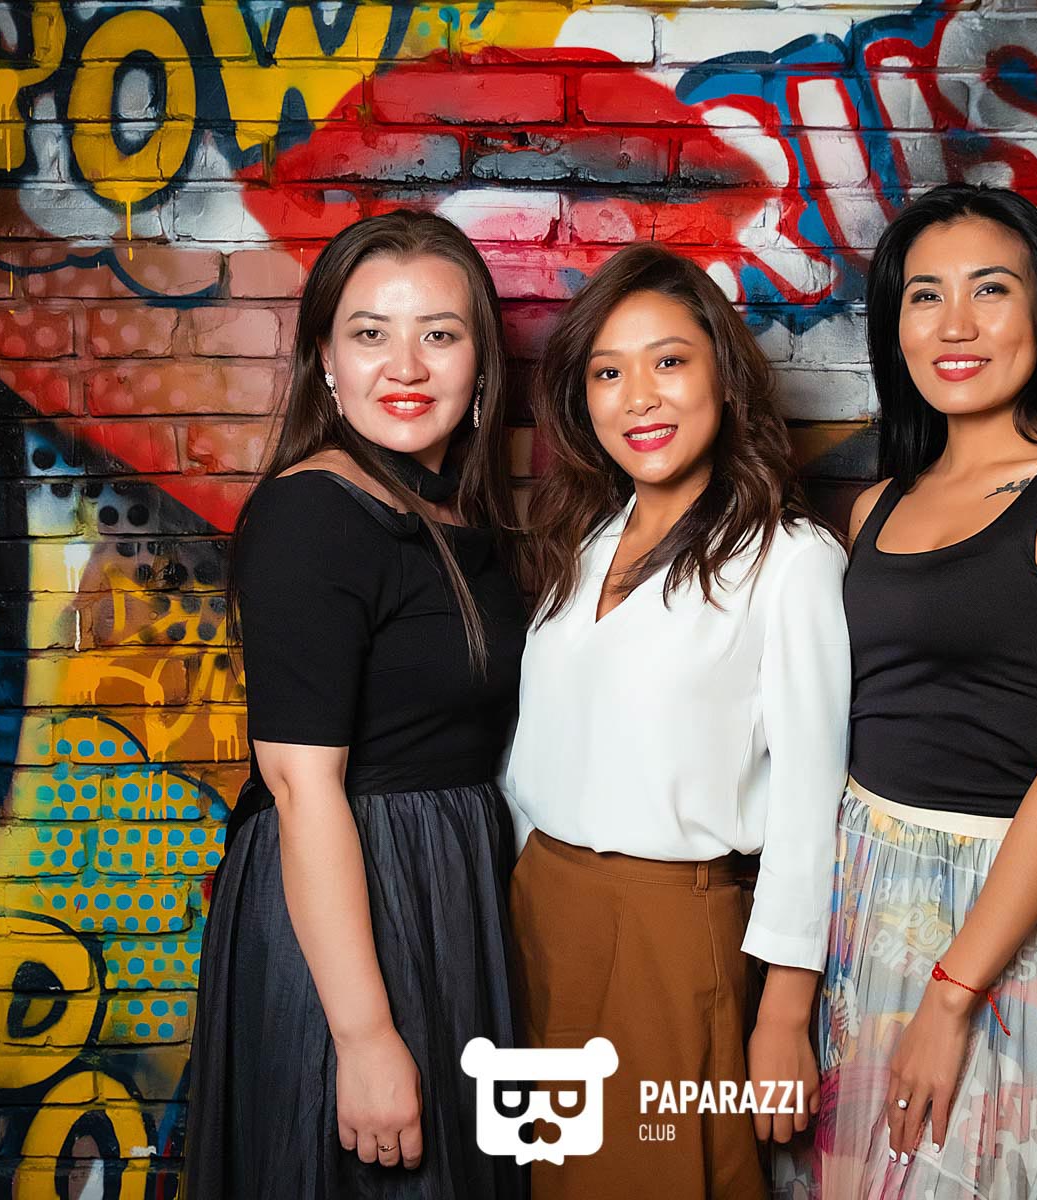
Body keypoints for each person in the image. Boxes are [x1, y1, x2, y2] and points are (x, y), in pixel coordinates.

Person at [797, 183, 1037, 1199]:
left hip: (992, 910)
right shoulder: (876, 504)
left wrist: (952, 996)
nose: (954, 325)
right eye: (925, 296)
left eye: (989, 290)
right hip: (858, 888)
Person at [186, 211, 527, 1199]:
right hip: (357, 910)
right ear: (326, 362)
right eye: (370, 333)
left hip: (442, 887)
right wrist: (366, 1036)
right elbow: (301, 788)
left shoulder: (453, 509)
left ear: (480, 362)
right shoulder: (314, 514)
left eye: (439, 334)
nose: (405, 366)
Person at [503, 244, 851, 1199]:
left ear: (724, 378)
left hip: (664, 926)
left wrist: (784, 1015)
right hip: (539, 911)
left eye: (668, 361)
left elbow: (812, 802)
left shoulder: (790, 560)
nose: (639, 397)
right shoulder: (584, 542)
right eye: (608, 373)